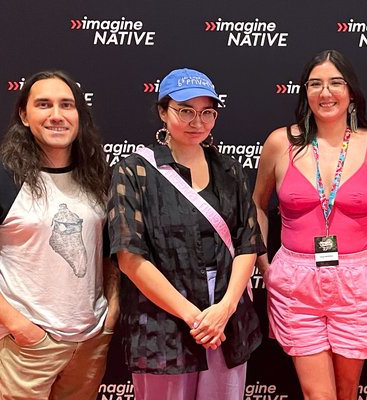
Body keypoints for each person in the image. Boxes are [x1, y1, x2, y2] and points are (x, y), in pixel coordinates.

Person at [0, 70, 117, 399]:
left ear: (79, 115)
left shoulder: (97, 176)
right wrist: (22, 328)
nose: (57, 115)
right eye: (44, 104)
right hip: (28, 349)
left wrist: (111, 315)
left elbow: (111, 255)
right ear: (25, 116)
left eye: (66, 105)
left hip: (90, 343)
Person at [108, 68, 265, 399]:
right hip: (162, 315)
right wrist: (193, 317)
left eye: (207, 112)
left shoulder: (229, 169)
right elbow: (129, 257)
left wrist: (224, 309)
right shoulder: (134, 170)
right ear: (163, 112)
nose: (198, 121)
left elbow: (247, 243)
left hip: (225, 313)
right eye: (186, 111)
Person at [253, 49, 367, 400]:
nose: (326, 92)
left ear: (350, 91)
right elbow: (257, 206)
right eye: (315, 83)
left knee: (347, 391)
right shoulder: (280, 142)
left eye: (336, 82)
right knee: (316, 392)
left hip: (359, 281)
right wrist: (266, 267)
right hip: (296, 282)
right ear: (305, 92)